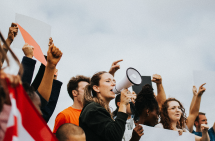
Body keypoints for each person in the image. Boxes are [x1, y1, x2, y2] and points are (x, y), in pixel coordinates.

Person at [79, 71, 133, 141]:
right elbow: (115, 137)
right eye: (108, 81)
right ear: (96, 88)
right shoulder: (94, 109)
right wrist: (123, 104)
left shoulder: (97, 108)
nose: (114, 84)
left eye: (114, 81)